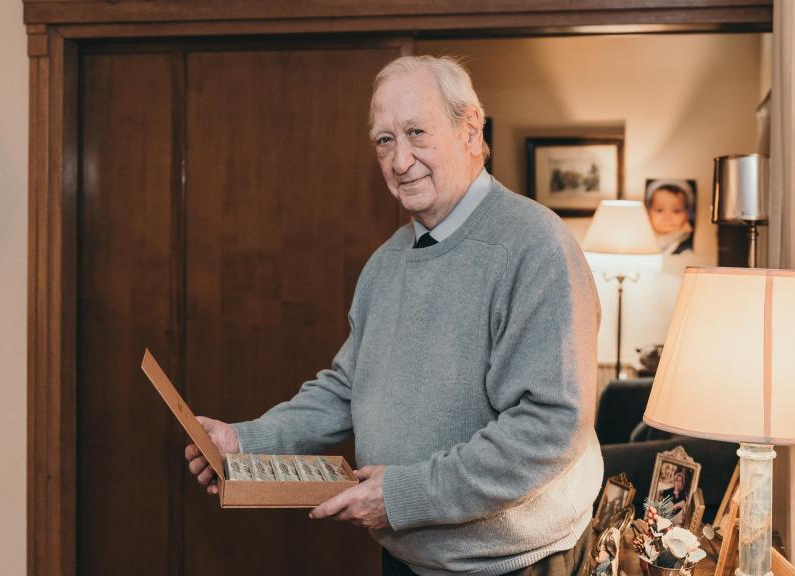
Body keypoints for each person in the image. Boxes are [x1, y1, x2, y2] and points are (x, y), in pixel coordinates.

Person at [183, 55, 603, 576]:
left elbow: (549, 429)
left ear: (471, 129)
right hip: (406, 554)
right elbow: (346, 388)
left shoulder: (536, 247)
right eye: (384, 140)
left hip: (513, 564)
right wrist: (246, 441)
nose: (400, 160)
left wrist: (405, 494)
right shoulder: (386, 261)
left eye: (416, 133)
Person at [645, 181, 695, 254]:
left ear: (687, 214)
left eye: (676, 211)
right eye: (659, 210)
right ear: (648, 212)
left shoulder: (688, 245)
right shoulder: (643, 238)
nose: (667, 217)